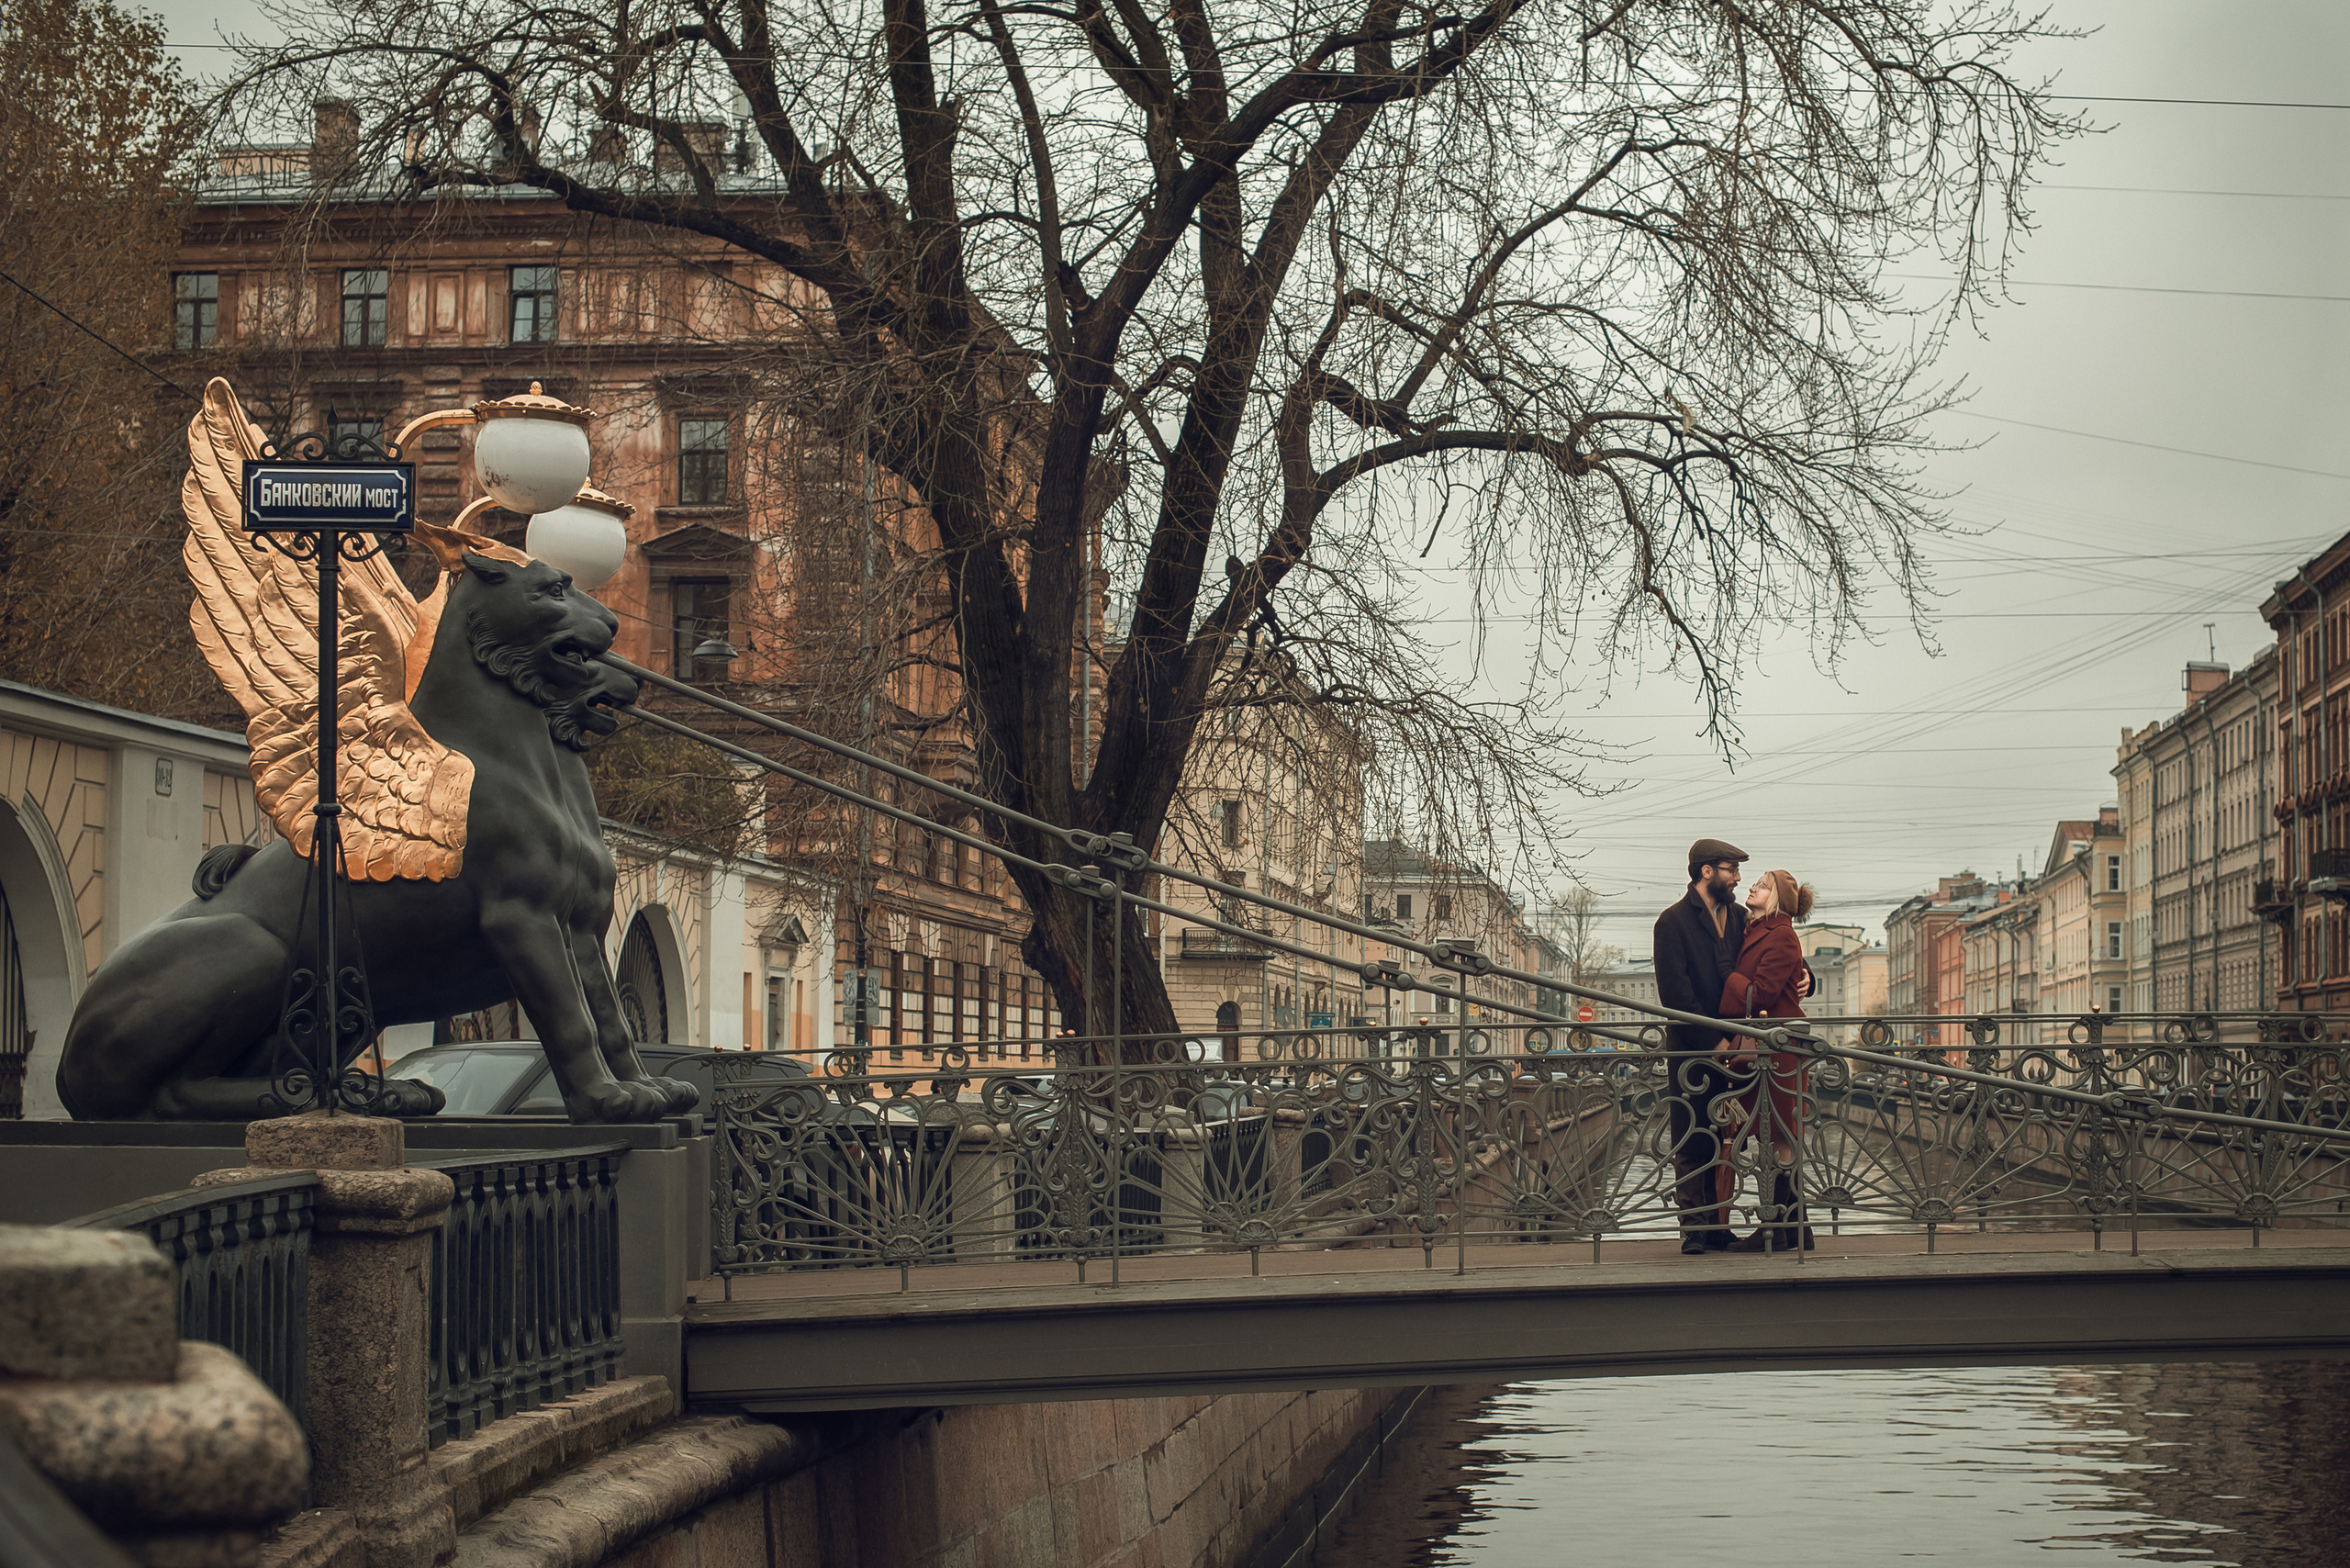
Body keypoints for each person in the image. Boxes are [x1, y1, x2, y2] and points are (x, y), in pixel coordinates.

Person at [1651, 838, 1751, 1253]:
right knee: (1693, 1135)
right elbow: (1675, 995)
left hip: (1738, 1050)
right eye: (1731, 869)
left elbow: (1771, 960)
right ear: (1706, 871)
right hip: (1693, 1050)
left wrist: (1807, 977)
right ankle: (1694, 1228)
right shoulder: (1672, 921)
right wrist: (1715, 1040)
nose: (1738, 878)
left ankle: (1719, 1225)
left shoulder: (1743, 917)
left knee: (1728, 1137)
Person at [1718, 868, 1817, 1253]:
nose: (1753, 887)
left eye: (1761, 885)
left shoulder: (1781, 934)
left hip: (1779, 1050)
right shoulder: (1756, 929)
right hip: (1767, 1048)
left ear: (1776, 899)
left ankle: (1774, 1228)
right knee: (1774, 1135)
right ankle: (1797, 1229)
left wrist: (1728, 977)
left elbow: (1762, 994)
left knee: (1778, 1137)